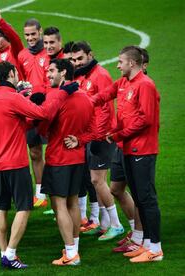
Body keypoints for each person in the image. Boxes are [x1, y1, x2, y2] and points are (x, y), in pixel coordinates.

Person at [0, 61, 73, 269]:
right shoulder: (13, 98)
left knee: (1, 206)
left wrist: (26, 105)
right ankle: (11, 253)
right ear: (10, 74)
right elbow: (42, 113)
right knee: (24, 207)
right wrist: (60, 94)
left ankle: (3, 251)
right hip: (15, 163)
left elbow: (15, 122)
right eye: (15, 73)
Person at [92, 46, 162, 263]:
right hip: (129, 149)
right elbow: (105, 95)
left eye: (120, 61)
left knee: (147, 199)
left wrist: (118, 135)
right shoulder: (123, 83)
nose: (118, 65)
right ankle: (146, 244)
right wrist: (83, 101)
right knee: (140, 199)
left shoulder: (146, 85)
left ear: (132, 63)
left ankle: (156, 249)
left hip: (143, 149)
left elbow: (145, 120)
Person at [39, 58, 95, 266]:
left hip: (58, 158)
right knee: (73, 202)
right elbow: (94, 130)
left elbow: (43, 127)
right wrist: (80, 140)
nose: (48, 74)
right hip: (78, 159)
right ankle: (74, 248)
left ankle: (71, 254)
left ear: (64, 73)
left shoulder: (56, 97)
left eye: (52, 71)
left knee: (59, 204)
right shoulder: (86, 98)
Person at [71, 41, 124, 241]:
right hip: (92, 135)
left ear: (90, 55)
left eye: (80, 59)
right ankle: (103, 223)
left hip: (102, 135)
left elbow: (105, 108)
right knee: (95, 181)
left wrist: (97, 135)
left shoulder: (100, 75)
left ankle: (116, 224)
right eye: (74, 59)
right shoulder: (84, 76)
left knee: (97, 180)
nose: (76, 63)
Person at [17, 18, 49, 208]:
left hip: (50, 110)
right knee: (35, 152)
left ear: (40, 32)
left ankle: (61, 196)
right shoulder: (22, 55)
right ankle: (41, 194)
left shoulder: (49, 53)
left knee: (56, 154)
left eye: (33, 34)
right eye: (27, 35)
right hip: (31, 110)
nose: (29, 38)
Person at [0, 4, 24, 93]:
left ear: (7, 38)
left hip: (12, 99)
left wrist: (0, 22)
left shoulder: (14, 53)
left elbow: (15, 39)